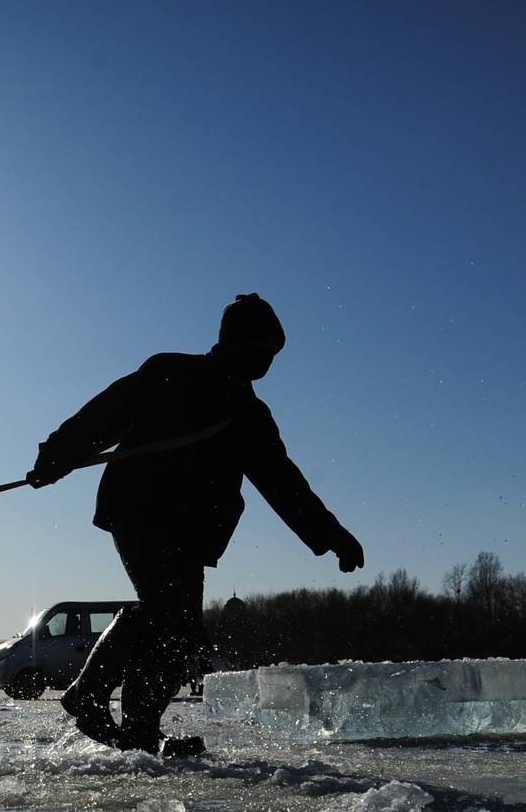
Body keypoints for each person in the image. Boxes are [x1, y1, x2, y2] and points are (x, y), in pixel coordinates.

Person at [28, 293, 364, 754]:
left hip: (190, 533)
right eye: (263, 348)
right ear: (236, 340)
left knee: (180, 627)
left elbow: (284, 483)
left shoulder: (250, 415)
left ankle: (142, 728)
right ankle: (88, 694)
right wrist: (56, 456)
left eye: (274, 353)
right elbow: (105, 413)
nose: (267, 361)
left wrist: (331, 535)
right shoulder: (171, 371)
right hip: (140, 510)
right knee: (166, 611)